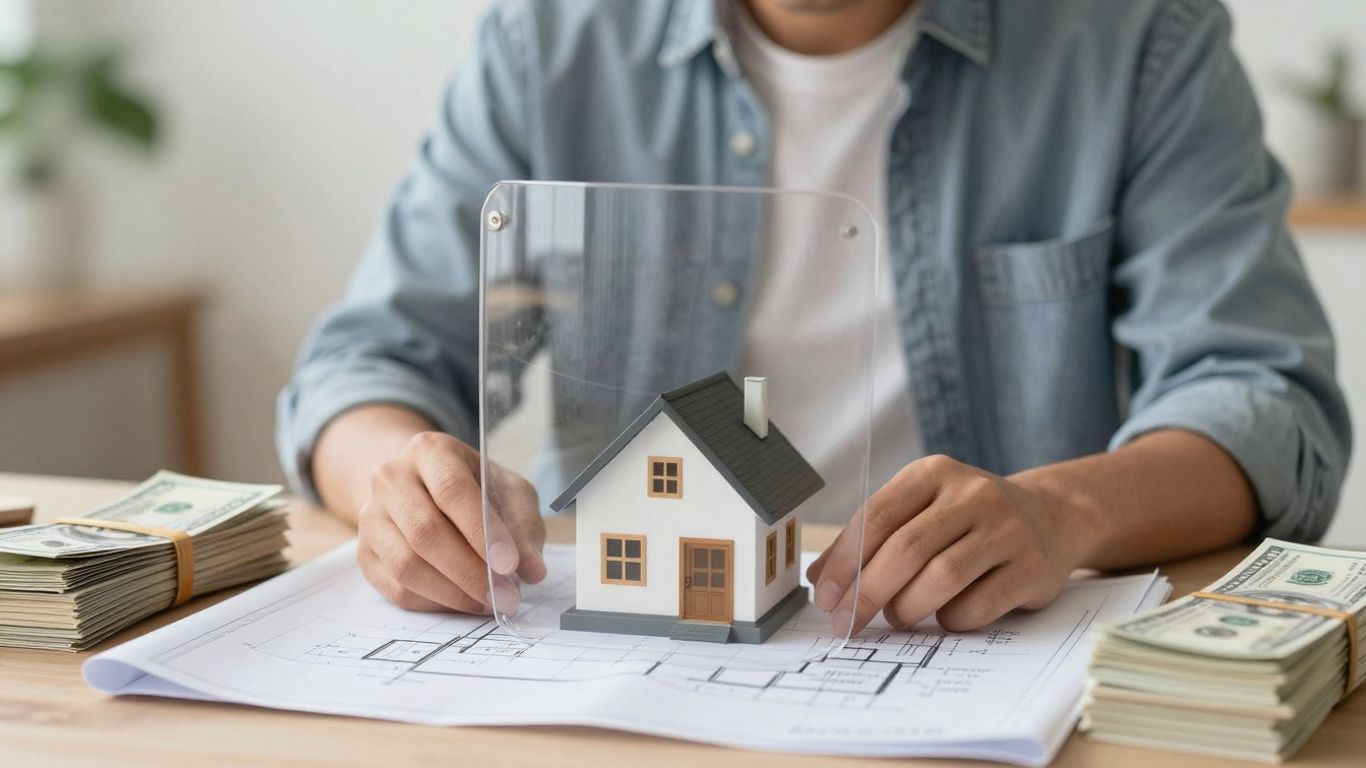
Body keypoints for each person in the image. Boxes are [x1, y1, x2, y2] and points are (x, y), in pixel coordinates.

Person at [277, 0, 1352, 637]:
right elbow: (368, 361)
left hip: (974, 659)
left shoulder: (1138, 37)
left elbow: (1263, 402)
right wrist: (398, 483)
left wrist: (1062, 511)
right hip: (640, 667)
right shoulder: (550, 39)